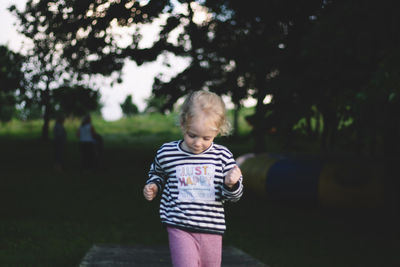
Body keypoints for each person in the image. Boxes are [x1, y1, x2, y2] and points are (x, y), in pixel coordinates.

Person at [143, 90, 244, 267]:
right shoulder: (167, 153)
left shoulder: (222, 156)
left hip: (211, 229)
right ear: (183, 124)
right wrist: (153, 185)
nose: (198, 143)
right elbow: (157, 173)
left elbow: (234, 197)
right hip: (179, 225)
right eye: (192, 135)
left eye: (206, 138)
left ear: (218, 131)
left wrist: (231, 184)